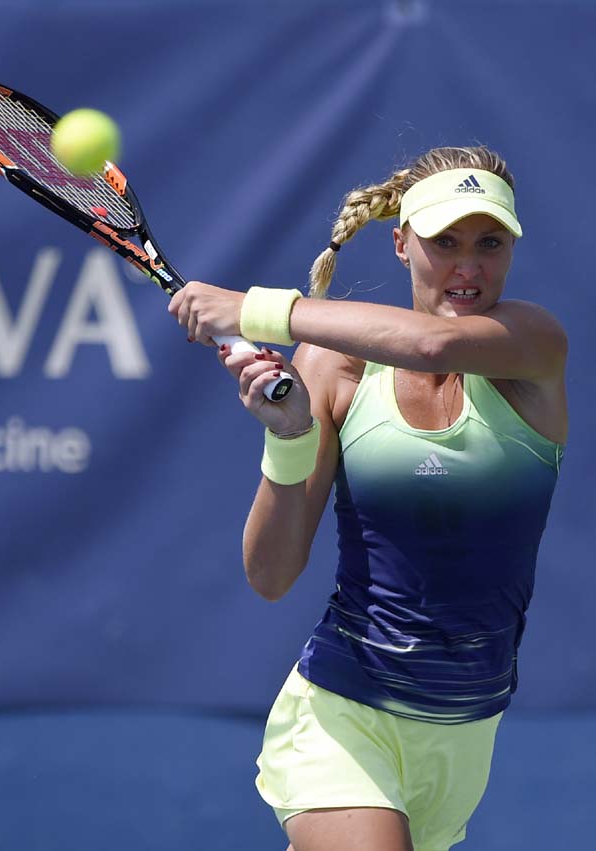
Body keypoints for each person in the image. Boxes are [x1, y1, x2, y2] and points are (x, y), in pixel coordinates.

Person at [169, 145, 568, 851]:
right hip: (342, 711)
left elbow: (436, 347)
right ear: (400, 241)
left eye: (489, 242)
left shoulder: (533, 345)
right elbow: (270, 574)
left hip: (465, 735)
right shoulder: (334, 366)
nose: (467, 266)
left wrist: (258, 309)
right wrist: (290, 436)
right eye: (444, 241)